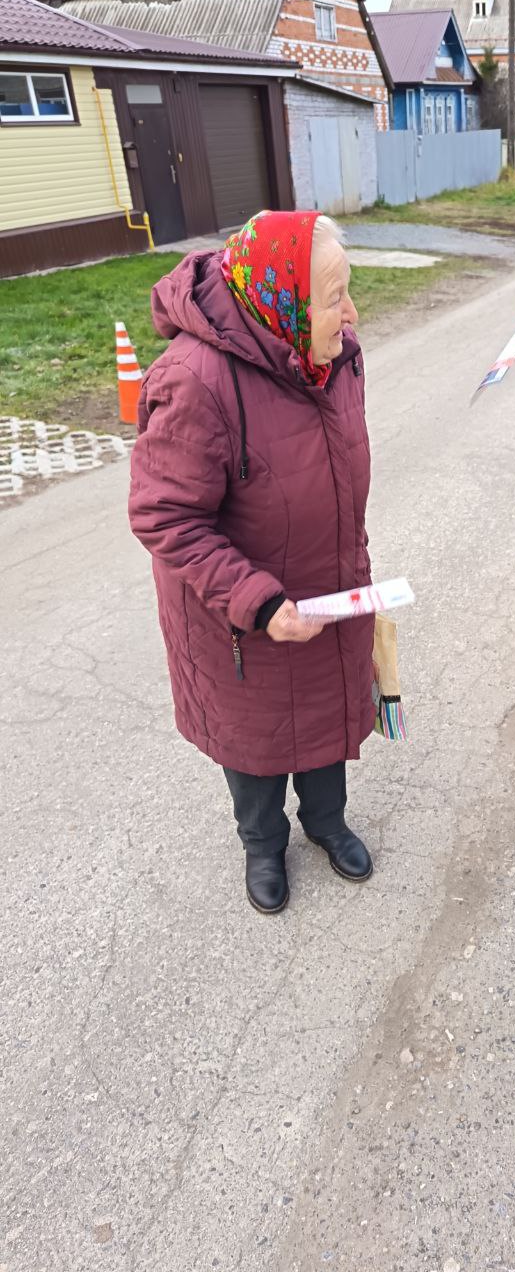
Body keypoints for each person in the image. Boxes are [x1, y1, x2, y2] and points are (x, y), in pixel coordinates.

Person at [129, 210, 376, 915]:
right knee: (256, 739)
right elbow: (164, 514)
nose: (352, 315)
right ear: (283, 303)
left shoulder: (334, 356)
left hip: (326, 587)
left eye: (348, 292)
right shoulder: (194, 380)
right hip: (238, 612)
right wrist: (259, 602)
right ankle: (263, 844)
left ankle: (326, 822)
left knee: (327, 714)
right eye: (334, 298)